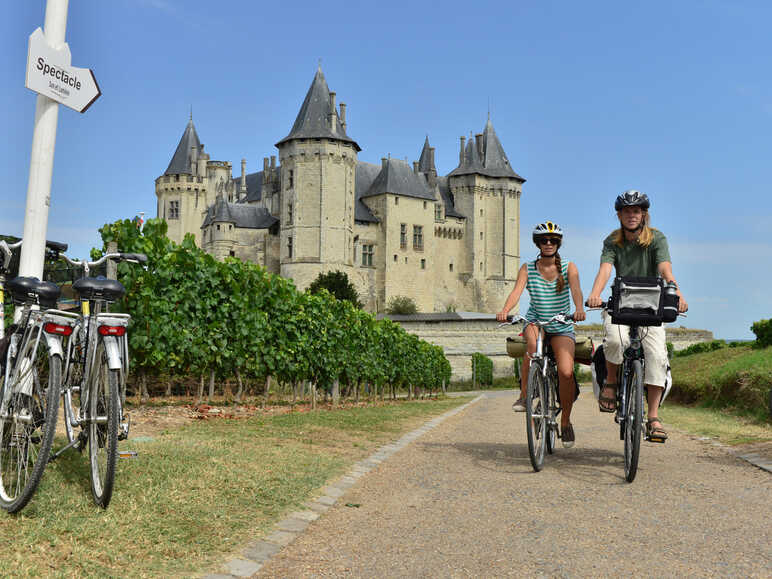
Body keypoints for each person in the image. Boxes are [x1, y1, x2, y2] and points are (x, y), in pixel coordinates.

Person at [586, 190, 688, 442]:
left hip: (651, 306)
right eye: (626, 211)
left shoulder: (656, 239)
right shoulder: (612, 241)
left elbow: (665, 268)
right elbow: (605, 269)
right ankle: (610, 382)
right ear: (619, 215)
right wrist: (595, 293)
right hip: (622, 302)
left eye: (636, 211)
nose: (631, 215)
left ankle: (653, 416)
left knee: (656, 355)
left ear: (643, 214)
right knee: (615, 341)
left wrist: (677, 293)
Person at [497, 221, 586, 448]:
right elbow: (517, 291)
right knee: (532, 346)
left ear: (558, 244)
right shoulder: (528, 268)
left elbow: (576, 290)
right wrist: (505, 311)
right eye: (544, 240)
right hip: (536, 320)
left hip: (562, 324)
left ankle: (565, 421)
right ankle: (524, 395)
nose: (548, 244)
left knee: (566, 372)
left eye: (553, 241)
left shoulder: (568, 267)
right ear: (537, 243)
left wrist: (578, 309)